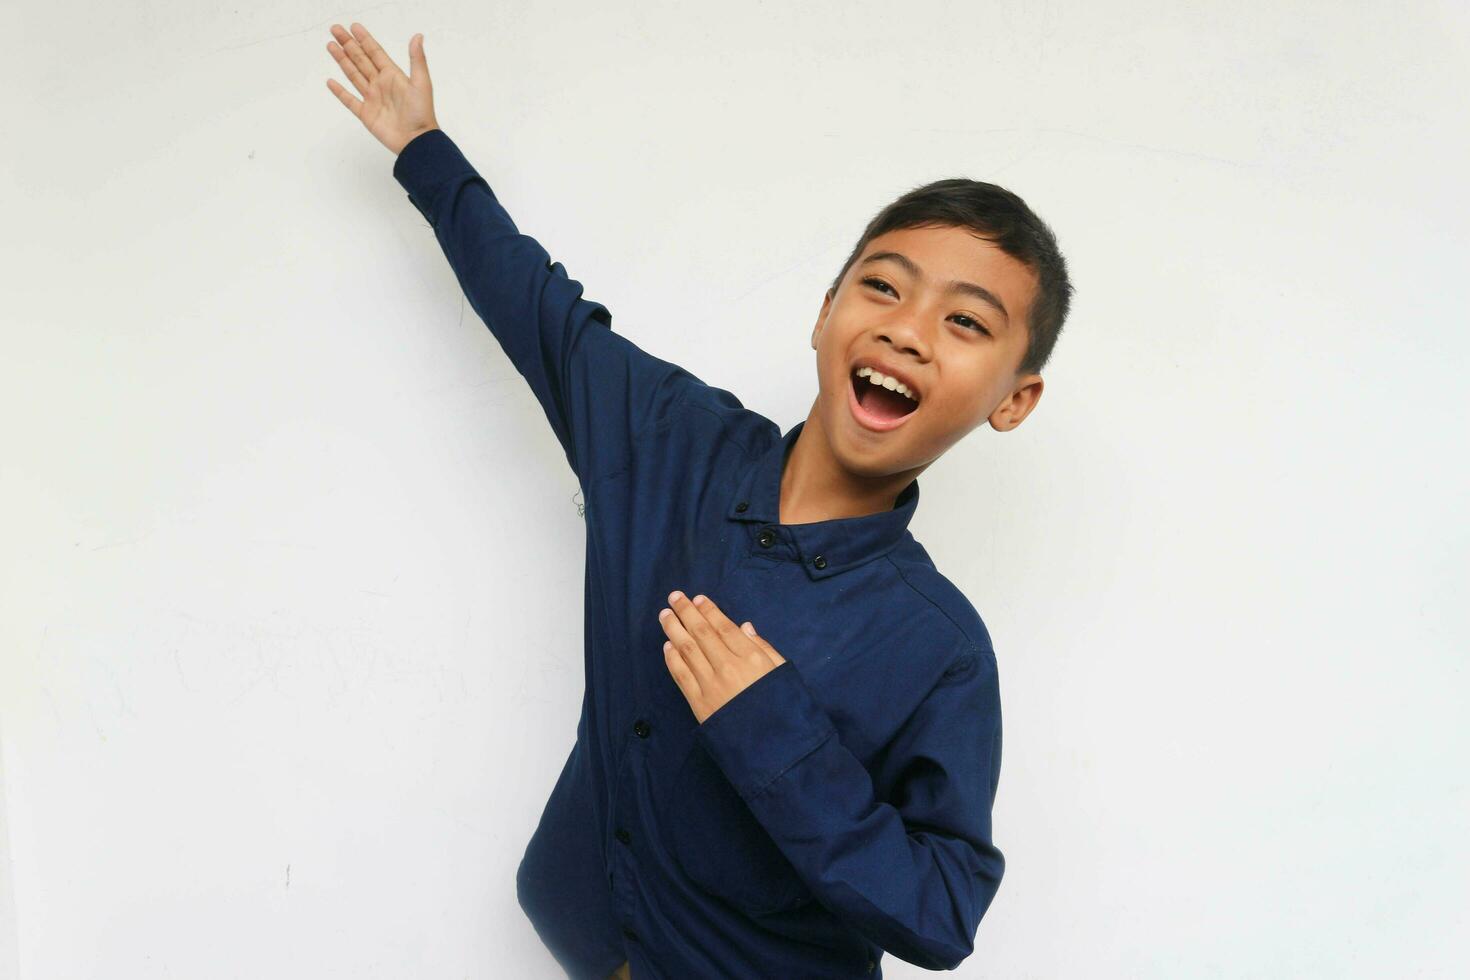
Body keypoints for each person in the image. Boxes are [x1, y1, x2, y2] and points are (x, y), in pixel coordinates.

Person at [325, 23, 1072, 980]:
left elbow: (940, 917)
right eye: (883, 287)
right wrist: (424, 150)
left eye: (965, 322)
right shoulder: (668, 440)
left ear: (1012, 399)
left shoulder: (941, 651)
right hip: (587, 947)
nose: (908, 331)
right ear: (825, 313)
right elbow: (540, 311)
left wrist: (774, 728)